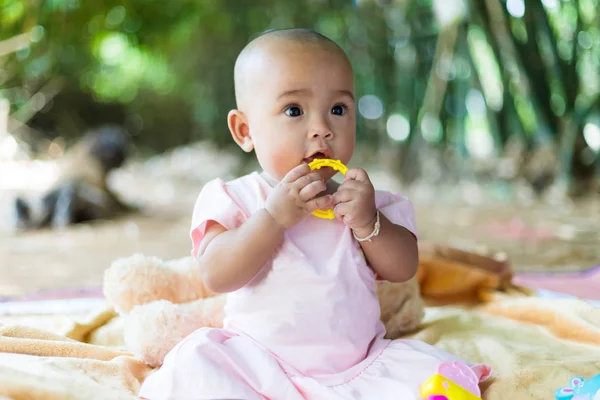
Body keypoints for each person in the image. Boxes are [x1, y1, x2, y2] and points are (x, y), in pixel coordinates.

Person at [139, 28, 490, 400]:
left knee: (432, 378)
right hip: (258, 366)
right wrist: (272, 218)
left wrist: (370, 224)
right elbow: (217, 274)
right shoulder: (237, 197)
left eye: (338, 109)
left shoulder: (365, 202)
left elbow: (403, 268)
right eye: (294, 110)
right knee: (200, 365)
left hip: (359, 367)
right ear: (245, 130)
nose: (322, 129)